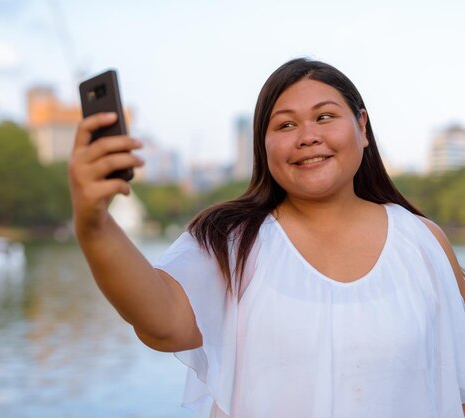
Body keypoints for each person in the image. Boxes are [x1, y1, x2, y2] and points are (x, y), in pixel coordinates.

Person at [68, 58, 465, 418]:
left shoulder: (423, 241)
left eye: (325, 117)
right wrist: (94, 225)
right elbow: (161, 322)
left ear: (362, 128)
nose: (307, 136)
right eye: (285, 125)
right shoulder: (230, 241)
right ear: (263, 144)